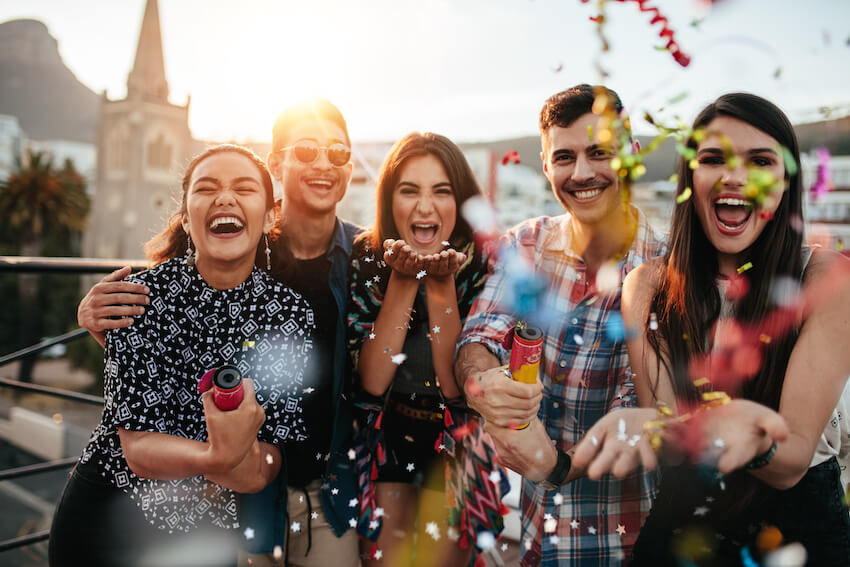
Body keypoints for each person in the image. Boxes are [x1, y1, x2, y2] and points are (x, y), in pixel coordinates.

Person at [75, 99, 361, 566]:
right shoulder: (227, 249)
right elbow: (169, 319)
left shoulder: (365, 259)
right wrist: (94, 313)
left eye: (338, 153)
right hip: (226, 494)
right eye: (306, 151)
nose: (323, 164)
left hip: (312, 481)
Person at [49, 144, 315, 567]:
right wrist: (221, 456)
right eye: (206, 188)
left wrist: (231, 460)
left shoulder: (291, 314)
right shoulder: (139, 298)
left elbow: (262, 468)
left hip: (207, 534)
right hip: (107, 519)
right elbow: (137, 449)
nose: (224, 198)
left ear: (269, 217)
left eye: (244, 188)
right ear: (187, 220)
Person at [614, 93, 850, 565]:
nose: (734, 176)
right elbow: (665, 437)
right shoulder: (645, 286)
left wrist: (741, 435)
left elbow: (791, 462)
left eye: (761, 160)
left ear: (786, 183)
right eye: (713, 158)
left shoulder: (827, 280)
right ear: (690, 180)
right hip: (684, 524)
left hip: (799, 532)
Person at [453, 84, 667, 565]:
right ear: (546, 165)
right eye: (565, 157)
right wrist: (483, 379)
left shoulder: (669, 264)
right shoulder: (527, 243)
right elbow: (480, 335)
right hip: (537, 539)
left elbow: (646, 404)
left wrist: (558, 468)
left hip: (632, 543)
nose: (583, 172)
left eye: (600, 153)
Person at [347, 132, 500, 566]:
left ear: (461, 200)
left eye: (441, 191)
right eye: (409, 190)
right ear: (389, 200)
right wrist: (401, 278)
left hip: (458, 439)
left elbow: (457, 390)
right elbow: (373, 382)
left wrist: (439, 285)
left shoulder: (484, 263)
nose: (425, 207)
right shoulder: (367, 256)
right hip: (386, 433)